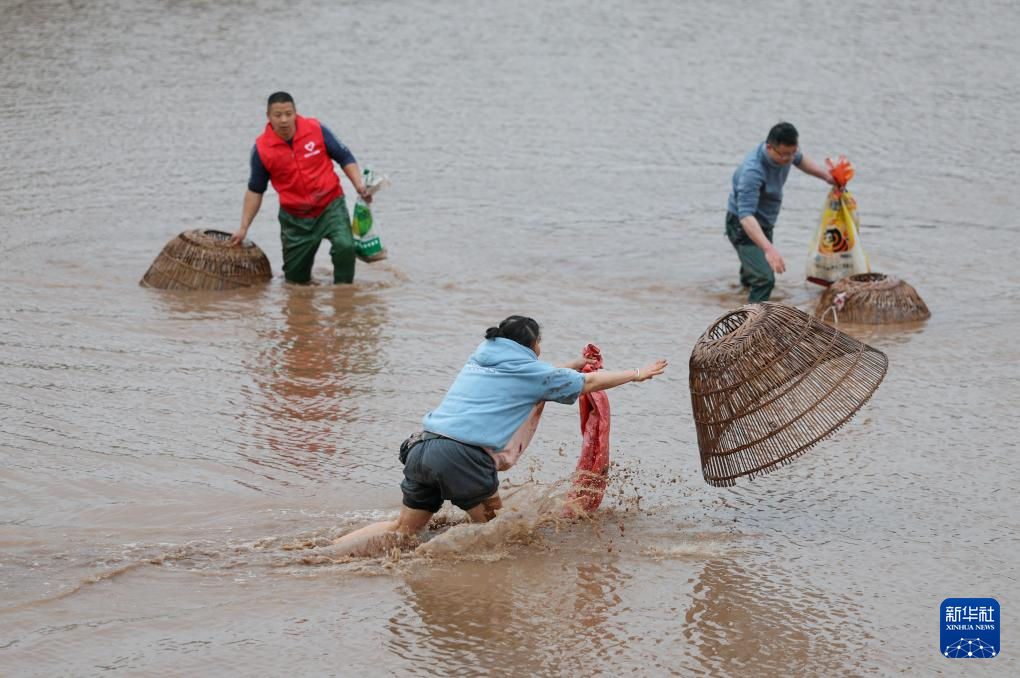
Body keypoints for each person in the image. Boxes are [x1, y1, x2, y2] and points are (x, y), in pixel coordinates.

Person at [323, 315, 668, 557]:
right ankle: (455, 571)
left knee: (402, 530)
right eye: (540, 344)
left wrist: (574, 365)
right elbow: (585, 383)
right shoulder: (528, 371)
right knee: (500, 534)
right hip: (460, 457)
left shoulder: (481, 360)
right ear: (532, 345)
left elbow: (538, 376)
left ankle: (325, 552)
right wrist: (637, 373)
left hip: (421, 447)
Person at [230, 91, 371, 284]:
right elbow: (255, 190)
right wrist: (243, 227)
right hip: (295, 218)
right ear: (268, 117)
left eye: (289, 114)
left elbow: (345, 157)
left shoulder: (316, 129)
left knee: (345, 247)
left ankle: (344, 294)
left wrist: (359, 185)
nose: (284, 120)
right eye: (278, 115)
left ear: (295, 113)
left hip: (330, 206)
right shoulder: (262, 149)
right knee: (296, 283)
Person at [725, 122, 834, 302]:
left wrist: (827, 177)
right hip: (742, 225)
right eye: (785, 155)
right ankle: (753, 319)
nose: (790, 159)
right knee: (764, 279)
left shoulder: (786, 153)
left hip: (765, 221)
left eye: (793, 152)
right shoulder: (752, 172)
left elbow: (800, 160)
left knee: (753, 274)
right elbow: (745, 216)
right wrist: (769, 249)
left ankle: (739, 297)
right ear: (769, 147)